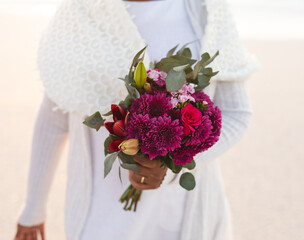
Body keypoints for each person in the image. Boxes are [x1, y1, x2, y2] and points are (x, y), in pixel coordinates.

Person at [14, 0, 259, 239]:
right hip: (99, 219)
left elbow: (236, 113)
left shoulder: (207, 10)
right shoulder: (79, 11)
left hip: (182, 218)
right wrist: (34, 205)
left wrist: (175, 164)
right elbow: (54, 119)